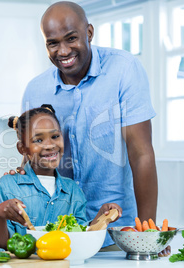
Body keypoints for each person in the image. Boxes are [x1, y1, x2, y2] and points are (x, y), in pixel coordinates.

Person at [21, 1, 161, 252]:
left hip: (116, 231)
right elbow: (33, 161)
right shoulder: (36, 89)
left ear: (89, 32)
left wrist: (147, 231)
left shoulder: (123, 69)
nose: (63, 51)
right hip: (57, 234)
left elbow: (141, 154)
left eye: (71, 38)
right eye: (52, 43)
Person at [0, 104, 122, 248]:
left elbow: (80, 234)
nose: (50, 145)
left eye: (55, 136)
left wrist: (101, 217)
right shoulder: (6, 186)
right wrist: (0, 215)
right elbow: (0, 244)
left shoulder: (73, 190)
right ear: (22, 148)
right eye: (38, 140)